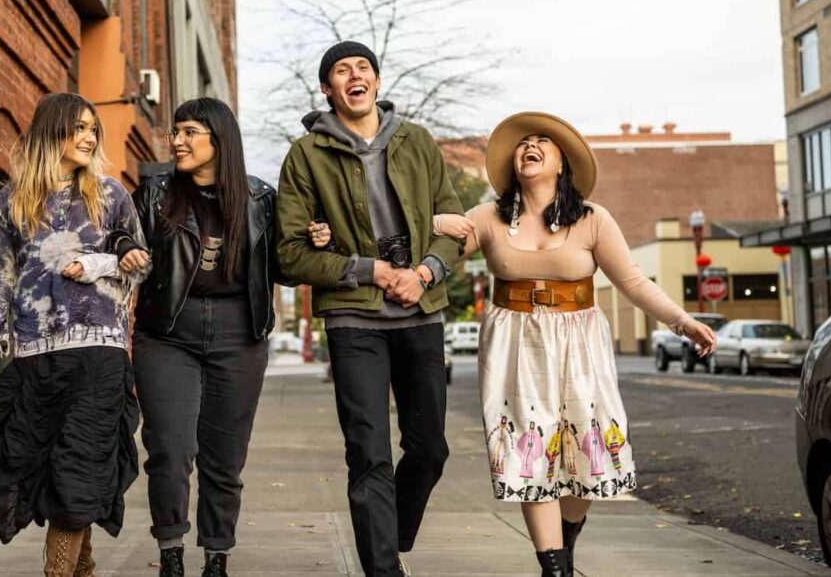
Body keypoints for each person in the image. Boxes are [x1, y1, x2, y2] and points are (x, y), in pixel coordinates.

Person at [430, 111, 718, 577]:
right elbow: (433, 253)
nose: (530, 146)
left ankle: (566, 534)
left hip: (580, 342)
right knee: (532, 453)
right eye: (523, 142)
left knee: (590, 455)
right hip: (514, 344)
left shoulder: (592, 219)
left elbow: (632, 281)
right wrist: (437, 221)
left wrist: (683, 322)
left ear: (562, 163)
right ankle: (554, 568)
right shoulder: (486, 217)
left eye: (543, 141)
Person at [276, 41, 465, 577]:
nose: (355, 76)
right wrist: (370, 270)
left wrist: (424, 272)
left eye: (364, 68)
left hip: (420, 310)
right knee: (369, 452)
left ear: (377, 83)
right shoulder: (306, 156)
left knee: (429, 449)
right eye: (342, 70)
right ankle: (383, 567)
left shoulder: (417, 142)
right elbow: (290, 254)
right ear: (327, 88)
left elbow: (452, 225)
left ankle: (390, 535)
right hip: (354, 319)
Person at [0, 93, 149, 577]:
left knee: (78, 471)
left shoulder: (110, 195)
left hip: (98, 356)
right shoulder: (12, 200)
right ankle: (82, 569)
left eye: (92, 129)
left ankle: (58, 573)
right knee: (39, 471)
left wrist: (99, 264)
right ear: (51, 132)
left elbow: (141, 264)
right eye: (77, 128)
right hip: (34, 359)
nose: (88, 137)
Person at [108, 97, 282, 577]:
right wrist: (124, 248)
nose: (177, 141)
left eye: (189, 132)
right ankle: (170, 553)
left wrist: (319, 239)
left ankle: (217, 556)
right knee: (169, 448)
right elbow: (123, 237)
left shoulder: (261, 198)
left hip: (238, 333)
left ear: (219, 139)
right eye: (176, 131)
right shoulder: (157, 190)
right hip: (167, 333)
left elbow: (283, 267)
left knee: (225, 456)